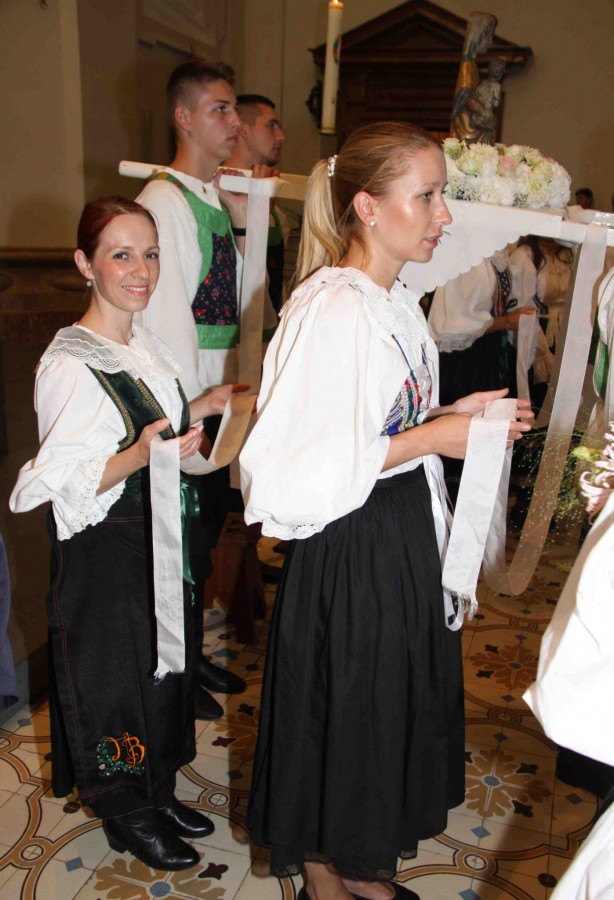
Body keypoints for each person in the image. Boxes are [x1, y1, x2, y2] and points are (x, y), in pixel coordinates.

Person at [240, 123, 533, 899]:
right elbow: (292, 466)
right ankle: (323, 879)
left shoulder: (391, 299)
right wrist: (434, 436)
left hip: (395, 527)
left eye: (443, 194)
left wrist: (446, 412)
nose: (445, 215)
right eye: (427, 196)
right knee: (344, 705)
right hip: (352, 542)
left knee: (380, 705)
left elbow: (369, 421)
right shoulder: (333, 309)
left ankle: (355, 864)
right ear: (368, 207)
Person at [9, 197, 244, 871]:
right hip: (105, 550)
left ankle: (157, 789)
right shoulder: (69, 362)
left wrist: (201, 405)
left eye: (150, 254)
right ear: (85, 264)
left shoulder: (142, 345)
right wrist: (139, 455)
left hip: (154, 538)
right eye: (121, 255)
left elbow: (149, 419)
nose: (141, 271)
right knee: (115, 679)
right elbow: (56, 480)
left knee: (161, 669)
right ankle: (125, 810)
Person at [137, 59, 277, 720]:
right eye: (220, 110)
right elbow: (168, 321)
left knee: (202, 538)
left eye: (234, 110)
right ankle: (173, 669)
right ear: (183, 117)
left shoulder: (211, 197)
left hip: (219, 396)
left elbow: (242, 301)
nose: (235, 124)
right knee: (181, 546)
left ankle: (191, 656)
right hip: (190, 403)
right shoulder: (163, 201)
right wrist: (188, 414)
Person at [224, 93, 288, 312]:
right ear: (243, 129)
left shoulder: (274, 199)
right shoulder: (218, 191)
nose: (281, 136)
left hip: (268, 322)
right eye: (271, 126)